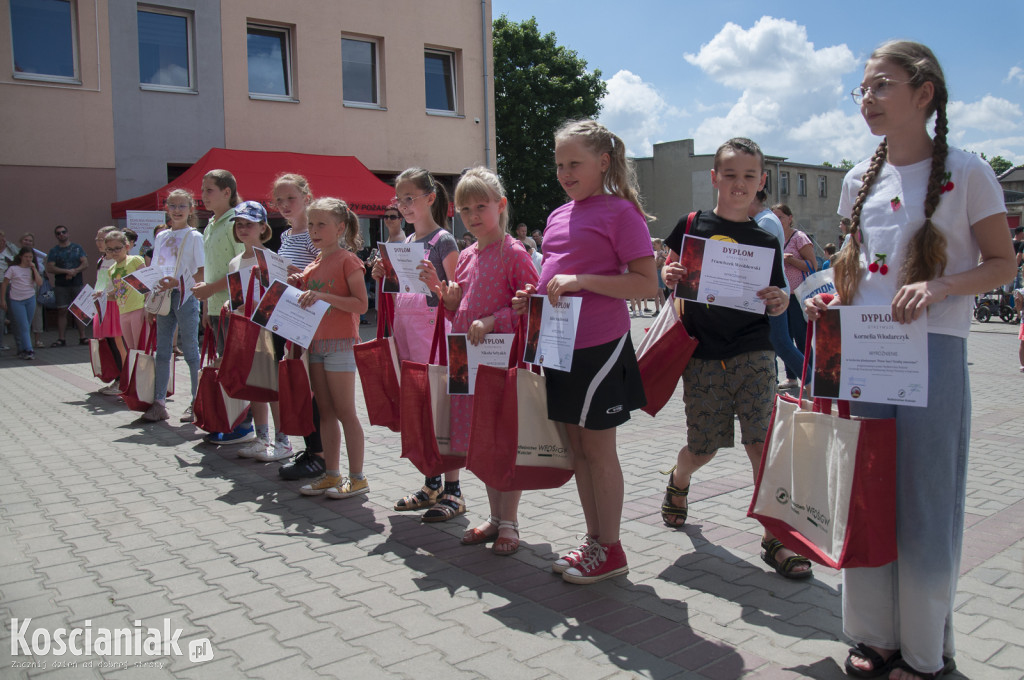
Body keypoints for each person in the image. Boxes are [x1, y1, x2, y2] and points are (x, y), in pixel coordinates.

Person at [806, 41, 1015, 680]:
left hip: (934, 356)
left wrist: (942, 286)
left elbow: (1004, 265)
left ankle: (927, 654)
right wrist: (824, 301)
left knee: (926, 500)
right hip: (865, 355)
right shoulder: (856, 178)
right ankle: (875, 638)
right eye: (862, 90)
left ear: (924, 94)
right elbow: (852, 275)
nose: (866, 100)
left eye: (881, 86)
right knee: (867, 494)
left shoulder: (968, 170)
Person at [513, 119, 656, 584]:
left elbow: (646, 284)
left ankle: (611, 549)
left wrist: (582, 282)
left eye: (574, 163)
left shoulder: (620, 213)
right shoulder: (558, 215)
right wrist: (529, 299)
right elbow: (553, 275)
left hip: (600, 346)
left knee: (598, 449)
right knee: (576, 449)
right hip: (557, 345)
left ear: (603, 162)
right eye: (559, 164)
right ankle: (595, 541)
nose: (565, 172)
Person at [659, 138, 805, 581]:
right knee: (703, 448)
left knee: (760, 443)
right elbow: (668, 275)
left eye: (748, 176)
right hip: (702, 355)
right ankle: (679, 479)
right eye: (730, 174)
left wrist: (780, 299)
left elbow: (777, 298)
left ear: (761, 181)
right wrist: (668, 275)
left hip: (754, 352)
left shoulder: (765, 237)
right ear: (714, 178)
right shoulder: (691, 224)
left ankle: (775, 536)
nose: (738, 184)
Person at [434, 167, 538, 556]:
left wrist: (495, 319)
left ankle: (509, 521)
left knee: (503, 441)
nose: (474, 215)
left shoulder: (515, 253)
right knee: (481, 442)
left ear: (501, 205)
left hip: (500, 364)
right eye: (465, 210)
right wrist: (449, 305)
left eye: (482, 206)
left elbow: (531, 309)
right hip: (467, 361)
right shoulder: (464, 257)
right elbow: (459, 315)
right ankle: (494, 518)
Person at [370, 168, 462, 523]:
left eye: (410, 198)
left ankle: (453, 490)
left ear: (430, 198)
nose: (405, 206)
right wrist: (383, 276)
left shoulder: (444, 242)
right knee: (420, 409)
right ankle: (431, 483)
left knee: (443, 409)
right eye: (399, 199)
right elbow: (401, 294)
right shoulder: (405, 245)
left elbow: (457, 296)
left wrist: (437, 282)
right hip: (410, 337)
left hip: (437, 339)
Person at [291, 198, 368, 498]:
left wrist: (323, 297)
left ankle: (358, 477)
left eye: (321, 224)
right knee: (325, 412)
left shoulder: (348, 260)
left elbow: (361, 305)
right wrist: (297, 286)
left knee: (346, 411)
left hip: (340, 344)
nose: (314, 230)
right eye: (311, 224)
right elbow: (309, 302)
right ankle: (332, 474)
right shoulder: (313, 264)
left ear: (340, 227)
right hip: (315, 344)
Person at [210, 201, 289, 461]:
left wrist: (255, 309)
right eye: (240, 224)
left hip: (268, 330)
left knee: (273, 385)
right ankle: (262, 437)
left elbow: (278, 294)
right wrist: (230, 304)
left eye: (250, 224)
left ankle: (283, 440)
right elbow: (237, 296)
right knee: (254, 384)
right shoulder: (235, 262)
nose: (243, 229)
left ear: (263, 227)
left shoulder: (271, 258)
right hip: (244, 330)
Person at [272, 173, 327, 479]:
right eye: (278, 200)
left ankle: (318, 454)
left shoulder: (313, 234)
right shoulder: (286, 235)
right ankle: (310, 449)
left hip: (309, 324)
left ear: (307, 198)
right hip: (288, 321)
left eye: (290, 198)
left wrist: (300, 275)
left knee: (310, 389)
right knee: (297, 385)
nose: (283, 205)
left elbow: (327, 272)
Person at [192, 169, 251, 443]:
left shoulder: (233, 224)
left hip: (234, 309)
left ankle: (243, 425)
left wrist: (213, 292)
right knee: (223, 366)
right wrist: (206, 307)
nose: (203, 196)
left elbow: (243, 269)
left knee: (237, 368)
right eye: (202, 190)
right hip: (215, 309)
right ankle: (229, 418)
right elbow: (211, 270)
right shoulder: (211, 225)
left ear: (227, 192)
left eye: (209, 190)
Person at [146, 189, 205, 423]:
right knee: (162, 351)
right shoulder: (161, 236)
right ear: (166, 209)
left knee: (191, 351)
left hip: (186, 296)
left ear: (191, 209)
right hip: (164, 297)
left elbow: (201, 272)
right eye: (173, 205)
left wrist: (178, 282)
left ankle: (195, 402)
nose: (177, 210)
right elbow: (156, 269)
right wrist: (152, 292)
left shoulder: (195, 237)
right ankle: (159, 402)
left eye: (182, 206)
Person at [749, 190, 803, 388]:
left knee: (781, 343)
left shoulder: (766, 222)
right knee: (771, 344)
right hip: (766, 292)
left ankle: (815, 383)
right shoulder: (762, 220)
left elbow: (759, 259)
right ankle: (767, 388)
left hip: (771, 293)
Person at [772, 203, 816, 389]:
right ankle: (791, 377)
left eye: (781, 216)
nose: (778, 220)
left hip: (798, 296)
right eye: (775, 217)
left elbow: (813, 265)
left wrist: (790, 260)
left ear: (790, 218)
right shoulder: (774, 237)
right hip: (783, 297)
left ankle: (811, 376)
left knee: (802, 337)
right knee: (785, 338)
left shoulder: (799, 238)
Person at [101, 231, 147, 351]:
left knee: (140, 346)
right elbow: (117, 294)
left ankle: (143, 369)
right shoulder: (111, 269)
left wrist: (147, 307)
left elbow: (147, 284)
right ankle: (133, 369)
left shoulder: (135, 260)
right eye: (110, 249)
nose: (114, 252)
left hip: (138, 308)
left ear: (126, 247)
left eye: (117, 248)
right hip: (123, 311)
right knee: (130, 348)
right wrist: (103, 295)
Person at [46, 225, 89, 346]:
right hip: (61, 285)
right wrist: (66, 271)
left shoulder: (77, 248)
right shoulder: (54, 251)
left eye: (63, 232)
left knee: (79, 310)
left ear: (68, 233)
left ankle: (83, 337)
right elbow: (50, 267)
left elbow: (85, 263)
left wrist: (74, 271)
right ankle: (62, 339)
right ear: (56, 236)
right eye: (58, 233)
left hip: (77, 283)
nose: (61, 235)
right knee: (62, 311)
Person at [1, 247, 43, 359]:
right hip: (16, 300)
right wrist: (3, 299)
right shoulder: (13, 269)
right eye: (26, 257)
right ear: (21, 257)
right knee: (23, 326)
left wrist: (34, 269)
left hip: (30, 299)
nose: (28, 259)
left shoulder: (32, 269)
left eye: (30, 257)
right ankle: (29, 350)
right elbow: (4, 284)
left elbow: (39, 283)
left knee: (26, 326)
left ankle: (23, 349)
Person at [18, 233, 47, 348]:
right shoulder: (17, 254)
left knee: (37, 312)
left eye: (30, 240)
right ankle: (24, 341)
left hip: (34, 284)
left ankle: (37, 340)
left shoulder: (37, 255)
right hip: (19, 286)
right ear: (21, 242)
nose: (28, 242)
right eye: (25, 240)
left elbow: (42, 268)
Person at [0, 231, 21, 351]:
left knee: (15, 316)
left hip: (12, 285)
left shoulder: (11, 248)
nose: (1, 241)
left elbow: (21, 259)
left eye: (2, 238)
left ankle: (21, 346)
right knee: (0, 317)